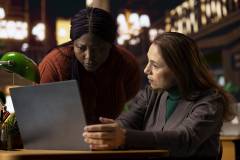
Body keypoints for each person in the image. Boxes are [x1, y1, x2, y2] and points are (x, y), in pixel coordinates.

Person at [82, 32, 235, 158]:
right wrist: (110, 131)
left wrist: (123, 137)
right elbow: (127, 122)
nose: (146, 70)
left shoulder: (210, 102)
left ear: (179, 70)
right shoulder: (151, 94)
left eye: (155, 65)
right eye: (148, 62)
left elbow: (183, 140)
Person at [39, 7, 140, 124]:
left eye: (100, 49)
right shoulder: (54, 65)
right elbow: (42, 112)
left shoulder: (126, 63)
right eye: (81, 48)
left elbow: (129, 94)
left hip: (106, 138)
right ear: (73, 43)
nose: (89, 57)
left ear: (111, 46)